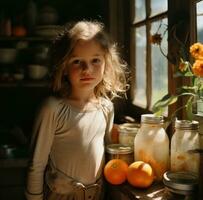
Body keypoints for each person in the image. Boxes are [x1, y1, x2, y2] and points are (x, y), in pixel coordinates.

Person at [25, 20, 129, 200]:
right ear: (64, 66)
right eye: (77, 61)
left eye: (95, 60)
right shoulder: (53, 109)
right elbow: (37, 164)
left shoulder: (106, 108)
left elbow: (107, 157)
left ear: (106, 63)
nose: (87, 69)